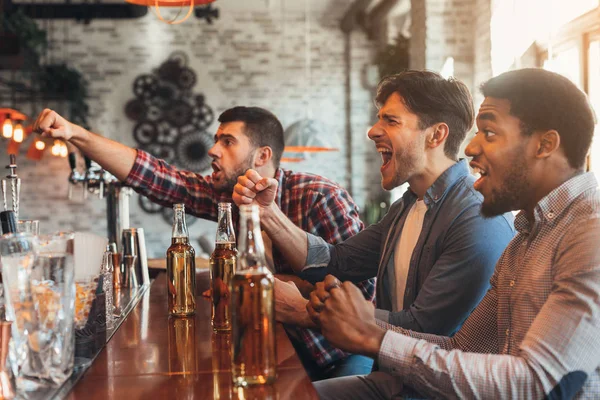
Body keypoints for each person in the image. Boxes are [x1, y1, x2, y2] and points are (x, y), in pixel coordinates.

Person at [308, 68, 600, 399]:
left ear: (544, 145)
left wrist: (372, 337)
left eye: (489, 133)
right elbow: (460, 346)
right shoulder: (524, 240)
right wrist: (361, 325)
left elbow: (539, 385)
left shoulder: (590, 233)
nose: (472, 147)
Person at [33, 106, 376, 380]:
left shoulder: (319, 197)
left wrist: (274, 286)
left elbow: (361, 297)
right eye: (216, 139)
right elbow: (156, 176)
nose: (212, 149)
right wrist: (75, 133)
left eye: (227, 141)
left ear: (262, 156)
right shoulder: (228, 196)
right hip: (277, 347)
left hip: (336, 354)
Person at [233, 71, 514, 337]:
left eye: (391, 121)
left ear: (436, 135)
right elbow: (336, 262)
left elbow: (422, 329)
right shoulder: (407, 207)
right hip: (391, 380)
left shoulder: (476, 217)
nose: (372, 131)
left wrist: (304, 311)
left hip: (431, 388)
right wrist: (267, 213)